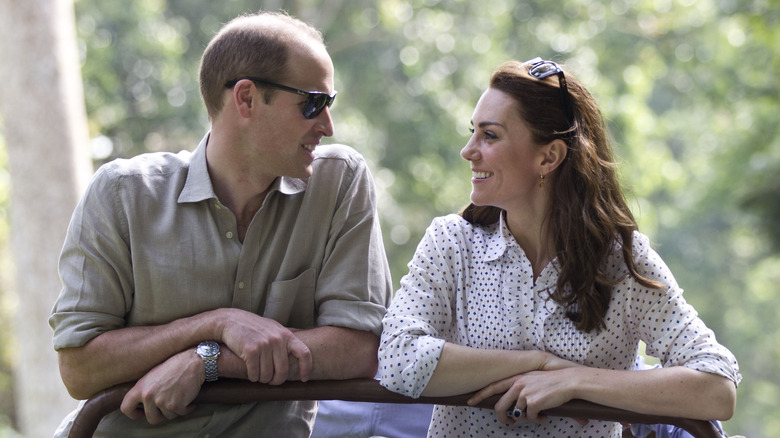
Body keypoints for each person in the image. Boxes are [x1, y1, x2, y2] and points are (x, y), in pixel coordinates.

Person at [49, 11, 392, 437]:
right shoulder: (122, 194)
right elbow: (79, 368)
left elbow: (358, 347)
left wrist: (205, 361)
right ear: (245, 98)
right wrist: (216, 323)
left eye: (329, 103)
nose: (328, 125)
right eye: (312, 103)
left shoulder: (340, 183)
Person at [377, 58, 741, 437]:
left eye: (490, 135)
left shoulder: (621, 260)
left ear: (548, 157)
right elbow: (397, 358)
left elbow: (717, 387)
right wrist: (537, 363)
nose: (468, 151)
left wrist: (576, 382)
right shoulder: (451, 243)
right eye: (473, 132)